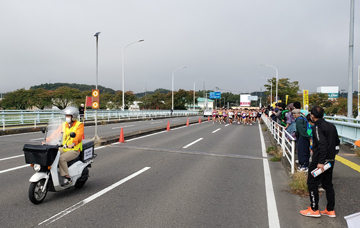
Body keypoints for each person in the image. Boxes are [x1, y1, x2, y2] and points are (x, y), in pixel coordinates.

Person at [300, 106, 340, 218]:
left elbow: (322, 145)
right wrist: (331, 157)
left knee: (312, 183)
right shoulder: (331, 126)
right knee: (328, 184)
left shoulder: (317, 127)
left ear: (312, 116)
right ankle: (330, 209)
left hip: (319, 160)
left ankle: (314, 209)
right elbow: (337, 142)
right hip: (331, 160)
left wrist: (321, 161)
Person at [44, 107, 84, 186]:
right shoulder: (63, 125)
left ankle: (67, 177)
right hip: (64, 148)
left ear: (73, 116)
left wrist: (73, 143)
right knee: (52, 153)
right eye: (66, 116)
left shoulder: (79, 125)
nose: (67, 118)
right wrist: (46, 141)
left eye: (68, 116)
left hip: (74, 149)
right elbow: (56, 134)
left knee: (61, 158)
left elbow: (78, 136)